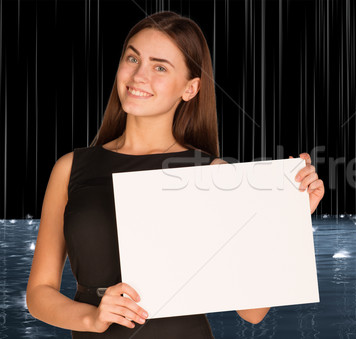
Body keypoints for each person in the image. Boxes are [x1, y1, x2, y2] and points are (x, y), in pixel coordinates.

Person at [26, 11, 325, 338]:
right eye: (132, 58)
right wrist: (92, 318)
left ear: (190, 88)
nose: (139, 75)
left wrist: (289, 219)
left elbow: (252, 312)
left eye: (159, 67)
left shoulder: (213, 175)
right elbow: (39, 292)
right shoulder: (70, 168)